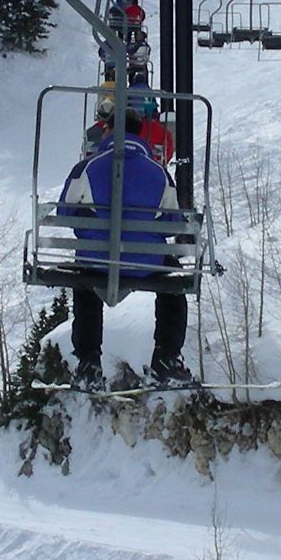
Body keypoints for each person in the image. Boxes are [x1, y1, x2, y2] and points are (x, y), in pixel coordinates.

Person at [57, 111, 191, 388]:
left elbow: (65, 211)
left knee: (85, 281)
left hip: (96, 260)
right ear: (141, 135)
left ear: (107, 130)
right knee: (172, 286)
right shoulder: (159, 173)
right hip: (145, 263)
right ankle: (166, 358)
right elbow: (172, 223)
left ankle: (89, 362)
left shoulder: (86, 169)